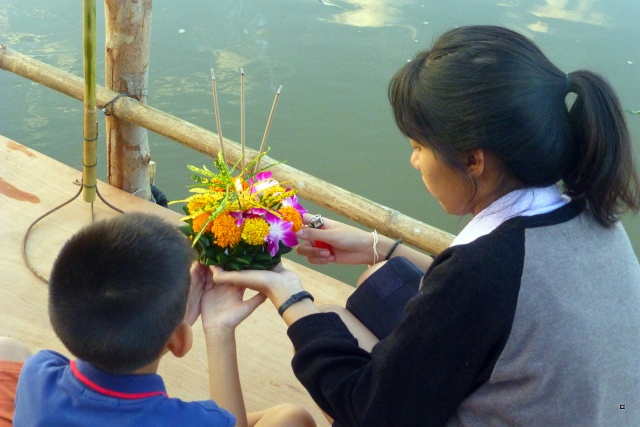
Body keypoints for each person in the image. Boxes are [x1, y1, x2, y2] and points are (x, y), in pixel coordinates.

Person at [211, 25, 640, 426]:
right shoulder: (593, 213)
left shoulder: (483, 271)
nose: (413, 160)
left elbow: (369, 410)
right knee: (383, 277)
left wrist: (290, 295)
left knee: (321, 331)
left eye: (419, 146)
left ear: (474, 160)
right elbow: (491, 297)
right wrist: (379, 246)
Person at [13, 212, 316, 427]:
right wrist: (218, 330)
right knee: (292, 418)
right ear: (180, 342)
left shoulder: (37, 375)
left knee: (8, 349)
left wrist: (170, 322)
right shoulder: (190, 421)